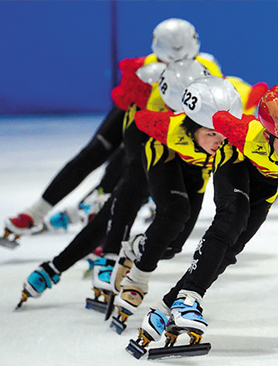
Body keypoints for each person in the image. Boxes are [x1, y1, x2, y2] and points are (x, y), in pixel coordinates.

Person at [127, 82, 278, 356]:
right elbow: (217, 118)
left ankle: (167, 305)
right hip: (236, 161)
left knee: (232, 248)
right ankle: (189, 299)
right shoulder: (247, 135)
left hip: (270, 182)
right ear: (269, 135)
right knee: (233, 218)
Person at [14, 58, 215, 310]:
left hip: (186, 148)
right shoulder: (151, 109)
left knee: (172, 244)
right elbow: (136, 139)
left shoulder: (210, 96)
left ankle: (66, 263)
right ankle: (100, 259)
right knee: (132, 189)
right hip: (148, 137)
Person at [0, 18, 202, 249]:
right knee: (98, 156)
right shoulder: (141, 69)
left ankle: (90, 214)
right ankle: (43, 213)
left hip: (162, 130)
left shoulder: (200, 68)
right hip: (138, 118)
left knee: (127, 171)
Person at [108, 76, 243, 331]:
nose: (219, 141)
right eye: (211, 133)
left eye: (224, 134)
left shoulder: (232, 138)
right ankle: (137, 281)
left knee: (171, 247)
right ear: (192, 127)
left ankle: (136, 247)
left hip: (197, 171)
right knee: (175, 211)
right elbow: (139, 121)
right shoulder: (169, 127)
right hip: (164, 155)